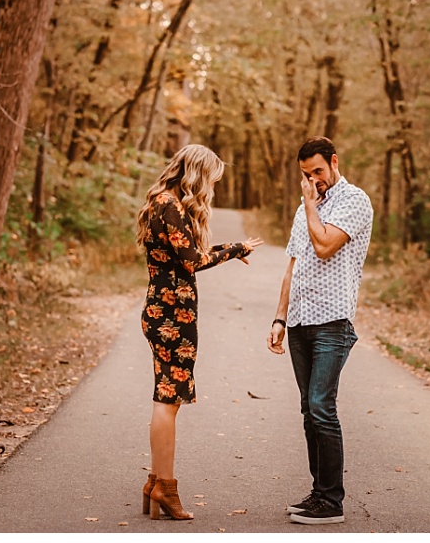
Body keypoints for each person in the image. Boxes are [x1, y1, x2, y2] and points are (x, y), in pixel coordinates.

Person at [136, 144, 263, 520]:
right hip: (171, 315)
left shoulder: (163, 202)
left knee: (167, 397)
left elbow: (189, 253)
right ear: (197, 174)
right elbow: (193, 261)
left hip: (168, 310)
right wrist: (236, 248)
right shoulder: (170, 205)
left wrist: (231, 248)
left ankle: (155, 481)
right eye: (211, 179)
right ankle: (165, 488)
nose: (211, 188)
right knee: (167, 399)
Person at [267, 136, 373, 525]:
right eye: (305, 175)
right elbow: (293, 266)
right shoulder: (304, 210)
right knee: (308, 411)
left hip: (333, 321)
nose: (313, 180)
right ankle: (318, 494)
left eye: (317, 172)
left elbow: (325, 245)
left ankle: (332, 501)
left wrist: (311, 205)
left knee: (321, 407)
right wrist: (280, 318)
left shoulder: (354, 200)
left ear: (334, 162)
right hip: (299, 322)